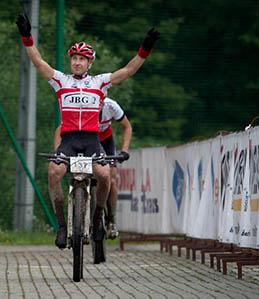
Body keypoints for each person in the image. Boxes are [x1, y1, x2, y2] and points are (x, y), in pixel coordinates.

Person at [16, 13, 160, 249]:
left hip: (92, 141)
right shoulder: (61, 81)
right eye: (74, 58)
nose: (77, 62)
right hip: (69, 140)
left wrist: (145, 49)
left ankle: (98, 218)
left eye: (82, 59)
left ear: (89, 63)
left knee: (105, 177)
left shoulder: (100, 82)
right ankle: (62, 226)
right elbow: (39, 63)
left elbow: (128, 70)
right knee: (53, 173)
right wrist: (26, 37)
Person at [54, 98, 132, 239]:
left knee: (112, 179)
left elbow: (127, 126)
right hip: (82, 141)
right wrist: (57, 152)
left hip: (104, 141)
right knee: (80, 171)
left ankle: (111, 220)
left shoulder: (111, 106)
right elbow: (61, 128)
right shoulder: (79, 105)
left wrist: (124, 150)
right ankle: (80, 204)